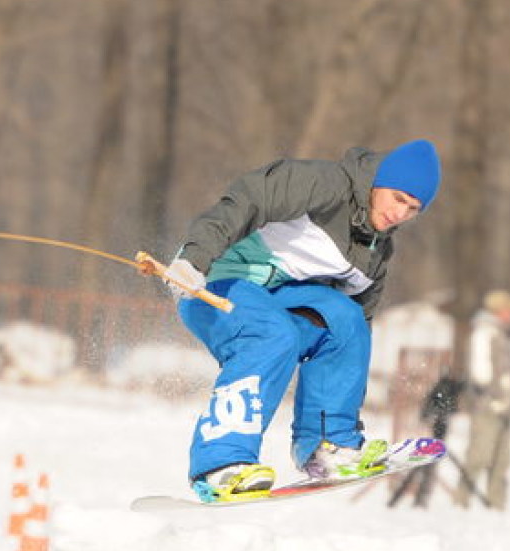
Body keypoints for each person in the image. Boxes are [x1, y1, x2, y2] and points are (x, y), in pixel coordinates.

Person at [165, 139, 442, 502]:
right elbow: (248, 198)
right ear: (378, 183)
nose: (399, 213)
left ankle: (328, 445)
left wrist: (347, 399)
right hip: (212, 279)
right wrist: (194, 260)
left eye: (412, 208)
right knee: (271, 335)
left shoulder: (374, 252)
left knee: (347, 319)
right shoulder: (325, 185)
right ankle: (220, 464)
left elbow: (353, 337)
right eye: (396, 197)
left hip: (275, 298)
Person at [459, 289, 510, 510]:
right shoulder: (485, 332)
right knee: (479, 455)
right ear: (499, 311)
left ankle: (497, 505)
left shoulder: (502, 333)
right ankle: (462, 500)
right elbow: (481, 373)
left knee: (502, 460)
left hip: (504, 407)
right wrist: (496, 393)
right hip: (488, 406)